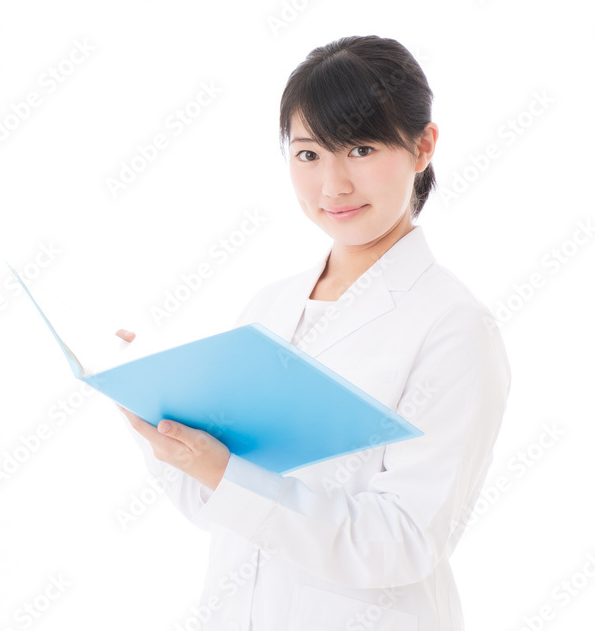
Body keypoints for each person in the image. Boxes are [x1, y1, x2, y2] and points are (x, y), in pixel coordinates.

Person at [117, 35, 511, 630]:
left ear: (423, 146)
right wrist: (157, 416)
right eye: (308, 155)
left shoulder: (454, 327)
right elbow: (216, 509)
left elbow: (403, 540)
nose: (332, 185)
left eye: (360, 148)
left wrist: (225, 474)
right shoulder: (270, 305)